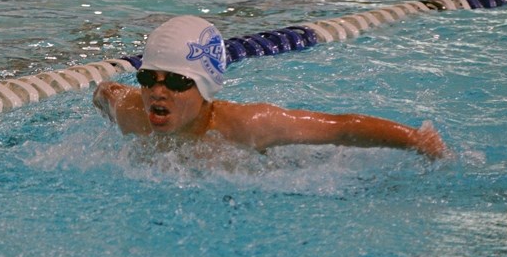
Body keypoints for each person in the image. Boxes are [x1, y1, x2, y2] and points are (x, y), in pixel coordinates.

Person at [93, 16, 447, 159]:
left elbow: (341, 127)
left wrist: (416, 140)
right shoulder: (130, 112)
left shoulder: (249, 125)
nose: (158, 91)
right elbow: (105, 92)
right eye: (147, 78)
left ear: (205, 88)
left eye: (176, 80)